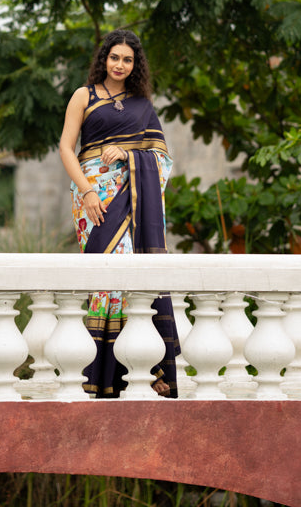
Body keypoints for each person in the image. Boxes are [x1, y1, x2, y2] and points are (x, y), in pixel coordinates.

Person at [58, 29, 180, 398]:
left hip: (130, 194)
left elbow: (162, 159)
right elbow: (66, 148)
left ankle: (134, 369)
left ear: (135, 64)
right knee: (103, 278)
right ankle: (101, 371)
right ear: (104, 59)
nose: (120, 65)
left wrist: (128, 155)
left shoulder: (142, 105)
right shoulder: (84, 96)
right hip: (92, 197)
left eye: (128, 60)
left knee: (130, 277)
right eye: (115, 58)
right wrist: (89, 190)